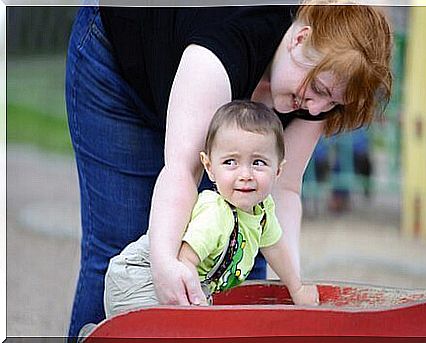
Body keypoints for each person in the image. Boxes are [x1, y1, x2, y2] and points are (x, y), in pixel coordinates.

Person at [66, 2, 392, 337]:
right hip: (122, 61)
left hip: (197, 69)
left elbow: (283, 189)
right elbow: (182, 171)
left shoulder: (317, 90)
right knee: (125, 250)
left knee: (242, 250)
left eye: (334, 103)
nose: (317, 109)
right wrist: (164, 264)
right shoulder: (226, 46)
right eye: (320, 91)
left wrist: (294, 283)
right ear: (300, 39)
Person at [101, 101, 319, 322]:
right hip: (141, 278)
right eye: (231, 162)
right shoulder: (215, 214)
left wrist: (297, 287)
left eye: (258, 162)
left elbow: (275, 247)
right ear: (209, 167)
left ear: (278, 170)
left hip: (187, 280)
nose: (245, 174)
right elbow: (185, 260)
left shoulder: (263, 210)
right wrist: (199, 311)